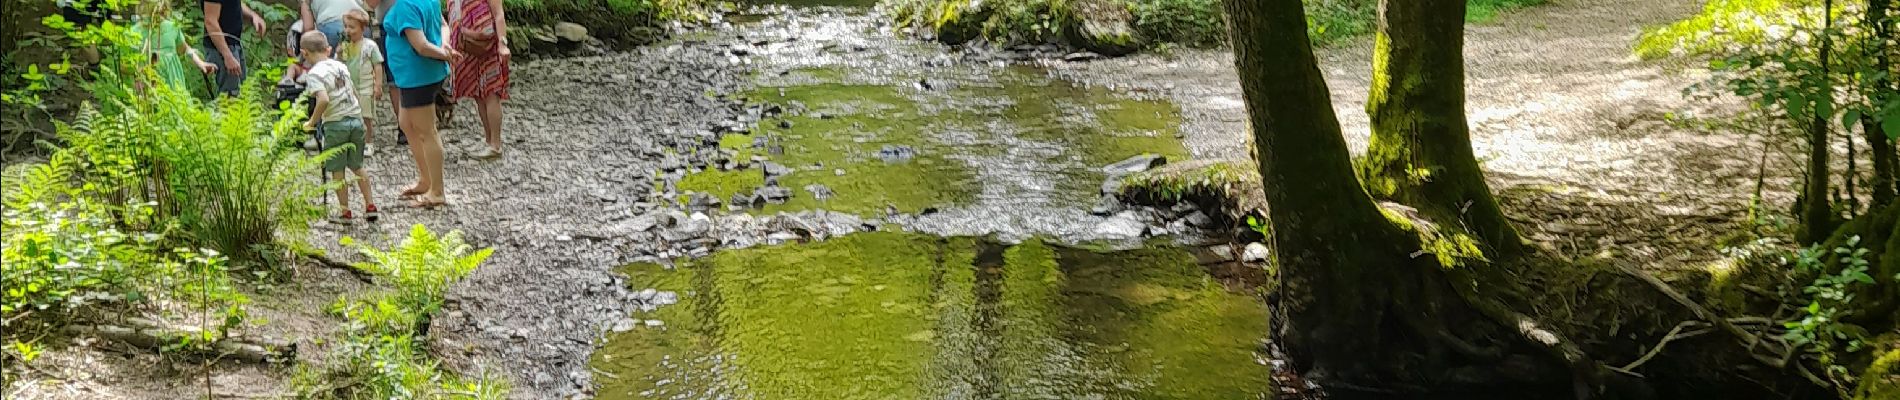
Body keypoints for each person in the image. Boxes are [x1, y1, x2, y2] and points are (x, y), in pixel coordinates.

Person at [297, 31, 380, 222]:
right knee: (358, 166)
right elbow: (353, 92)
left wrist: (312, 122)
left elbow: (323, 100)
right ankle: (370, 205)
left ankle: (345, 212)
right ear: (328, 49)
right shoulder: (340, 66)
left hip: (336, 124)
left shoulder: (315, 74)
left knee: (338, 169)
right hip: (356, 120)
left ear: (304, 53)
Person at [384, 0, 459, 208]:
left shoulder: (406, 7)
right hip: (415, 76)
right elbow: (444, 26)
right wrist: (445, 45)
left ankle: (437, 191)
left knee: (427, 131)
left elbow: (421, 46)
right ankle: (425, 180)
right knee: (406, 124)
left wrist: (445, 53)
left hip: (417, 76)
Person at [448, 0, 509, 159]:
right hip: (466, 47)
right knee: (477, 94)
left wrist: (502, 43)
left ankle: (496, 145)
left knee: (491, 93)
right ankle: (488, 141)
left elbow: (499, 14)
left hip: (488, 45)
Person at [131, 0, 217, 92]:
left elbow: (185, 49)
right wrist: (137, 76)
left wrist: (200, 63)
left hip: (173, 79)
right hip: (148, 82)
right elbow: (126, 63)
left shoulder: (172, 27)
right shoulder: (135, 31)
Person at [339, 10, 385, 156]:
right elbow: (340, 63)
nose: (348, 30)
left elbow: (377, 65)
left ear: (362, 28)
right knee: (350, 115)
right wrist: (339, 54)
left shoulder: (369, 45)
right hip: (350, 86)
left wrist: (378, 85)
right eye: (346, 26)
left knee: (366, 116)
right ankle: (353, 142)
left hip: (366, 86)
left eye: (352, 27)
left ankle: (368, 142)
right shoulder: (346, 46)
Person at [203, 0, 267, 97]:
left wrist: (253, 16)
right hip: (221, 49)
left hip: (235, 44)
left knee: (241, 94)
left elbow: (235, 3)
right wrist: (227, 56)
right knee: (229, 98)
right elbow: (210, 22)